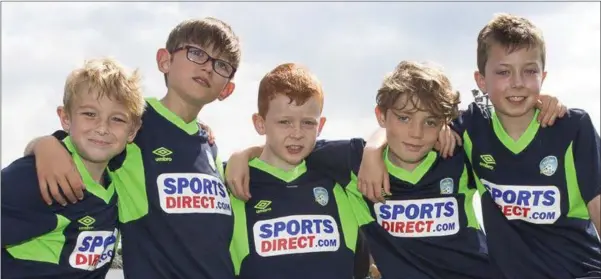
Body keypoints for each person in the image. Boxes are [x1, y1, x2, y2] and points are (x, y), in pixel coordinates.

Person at [361, 13, 601, 279]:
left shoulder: (571, 127)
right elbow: (418, 121)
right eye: (503, 72)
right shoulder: (471, 128)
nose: (518, 82)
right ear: (481, 81)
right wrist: (372, 150)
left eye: (529, 71)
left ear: (543, 76)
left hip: (581, 271)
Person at [227, 60, 506, 279]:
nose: (416, 132)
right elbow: (287, 149)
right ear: (381, 116)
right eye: (404, 118)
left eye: (431, 122)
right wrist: (244, 154)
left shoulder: (455, 155)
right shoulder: (351, 162)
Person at [23, 17, 241, 279]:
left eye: (221, 65)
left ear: (226, 89)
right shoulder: (135, 120)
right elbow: (82, 136)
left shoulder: (209, 144)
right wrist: (45, 144)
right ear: (164, 60)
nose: (207, 67)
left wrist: (243, 154)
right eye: (196, 53)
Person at [2, 57, 144, 278]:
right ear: (66, 118)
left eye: (117, 119)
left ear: (132, 131)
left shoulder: (118, 183)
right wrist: (42, 144)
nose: (102, 128)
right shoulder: (36, 176)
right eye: (89, 114)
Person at [227, 63, 369, 279]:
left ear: (320, 126)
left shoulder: (341, 179)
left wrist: (440, 132)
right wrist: (242, 155)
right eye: (284, 122)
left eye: (308, 123)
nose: (297, 133)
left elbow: (394, 146)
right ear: (260, 123)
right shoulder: (232, 181)